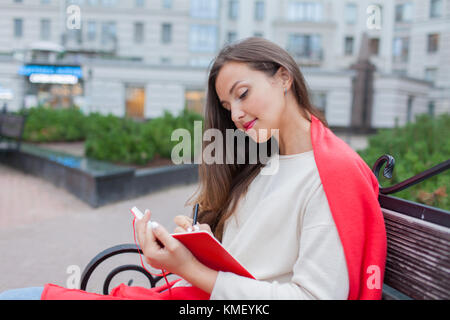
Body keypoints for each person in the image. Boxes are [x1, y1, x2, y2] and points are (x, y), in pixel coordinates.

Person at [0, 37, 386, 300]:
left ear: (283, 76)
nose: (235, 114)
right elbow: (255, 262)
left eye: (243, 94)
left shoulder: (332, 173)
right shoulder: (268, 160)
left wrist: (193, 269)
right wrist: (197, 245)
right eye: (227, 105)